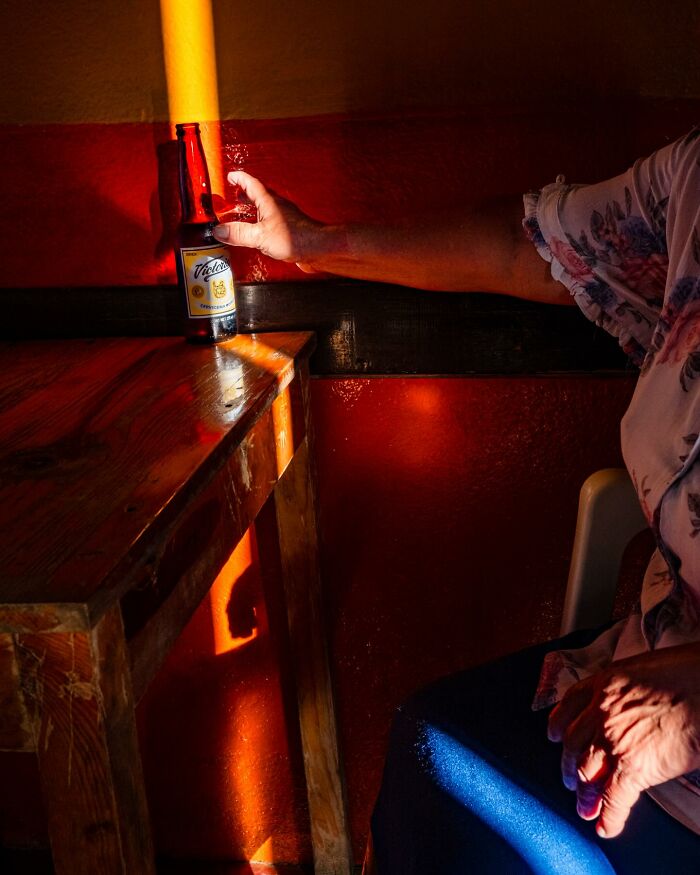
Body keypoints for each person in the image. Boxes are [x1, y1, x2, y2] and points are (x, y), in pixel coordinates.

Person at [213, 129, 700, 871]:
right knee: (428, 757)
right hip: (645, 672)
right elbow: (527, 242)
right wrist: (313, 243)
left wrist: (692, 707)